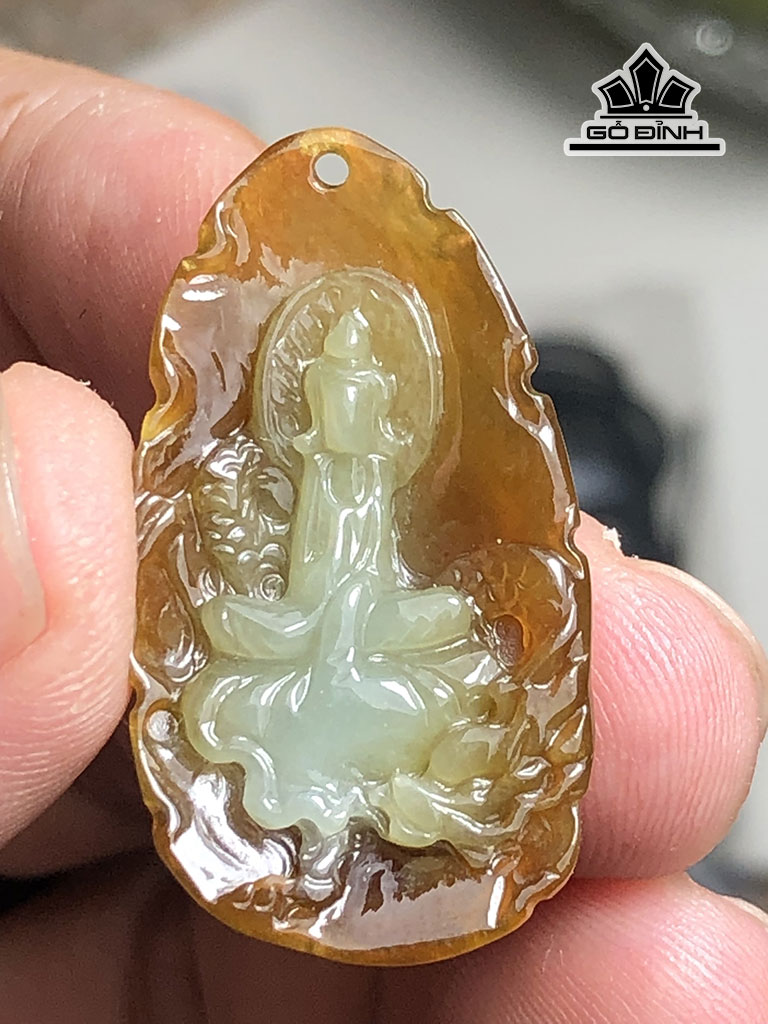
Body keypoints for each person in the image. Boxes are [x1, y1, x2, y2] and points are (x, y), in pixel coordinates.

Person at [0, 49, 766, 1023]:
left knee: (419, 613)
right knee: (285, 621)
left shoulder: (383, 428)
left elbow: (401, 451)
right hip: (321, 507)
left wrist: (368, 468)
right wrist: (324, 461)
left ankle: (370, 713)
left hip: (365, 502)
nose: (346, 363)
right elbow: (288, 456)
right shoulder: (307, 422)